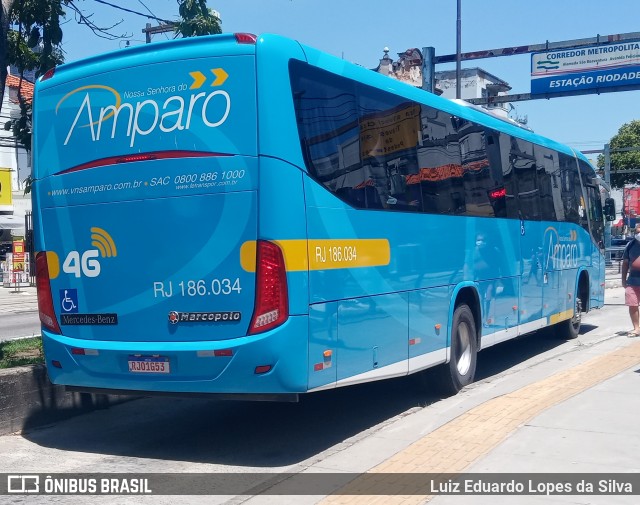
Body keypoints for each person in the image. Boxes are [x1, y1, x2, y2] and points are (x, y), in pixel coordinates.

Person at [621, 223, 640, 336]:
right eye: (637, 232)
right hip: (632, 281)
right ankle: (636, 328)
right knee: (632, 304)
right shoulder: (630, 245)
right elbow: (625, 264)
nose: (639, 234)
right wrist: (623, 280)